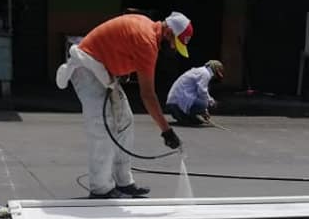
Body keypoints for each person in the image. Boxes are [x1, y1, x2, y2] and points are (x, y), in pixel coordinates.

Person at [56, 11, 194, 199]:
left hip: (102, 70)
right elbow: (148, 95)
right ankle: (101, 189)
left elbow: (119, 43)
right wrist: (166, 131)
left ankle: (123, 181)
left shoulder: (146, 25)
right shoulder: (147, 42)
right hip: (86, 68)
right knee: (102, 126)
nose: (173, 48)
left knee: (124, 121)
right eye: (174, 43)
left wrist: (121, 67)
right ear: (169, 32)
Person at [165, 60, 225, 126]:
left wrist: (204, 110)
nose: (215, 77)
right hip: (177, 104)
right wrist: (209, 105)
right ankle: (185, 116)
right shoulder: (206, 74)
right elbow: (202, 91)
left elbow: (200, 91)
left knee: (203, 101)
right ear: (215, 70)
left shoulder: (200, 71)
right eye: (216, 75)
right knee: (204, 103)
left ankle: (186, 116)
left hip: (172, 103)